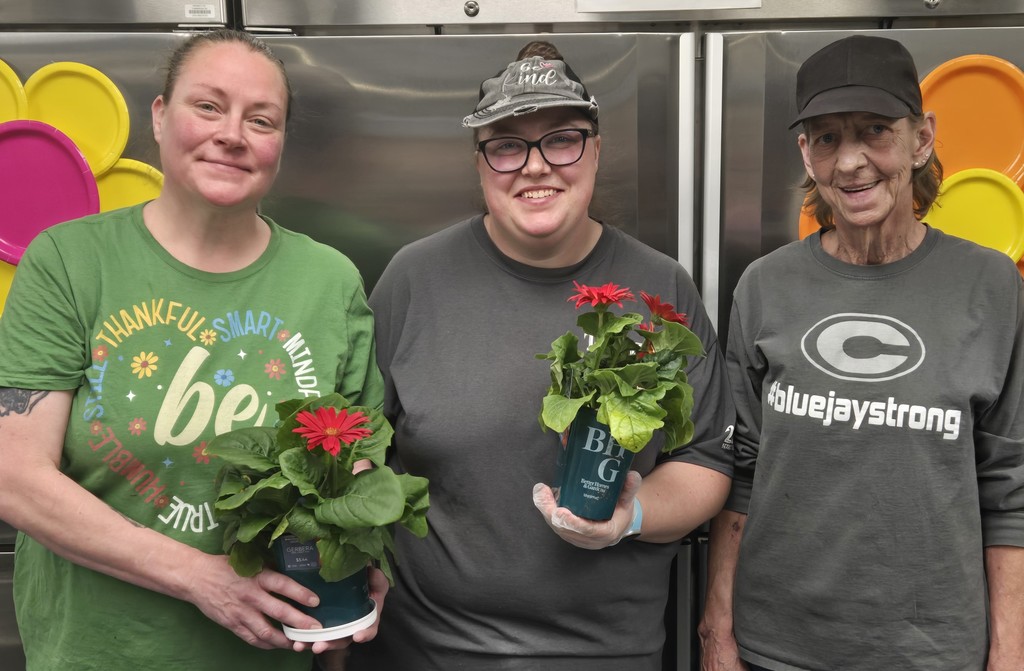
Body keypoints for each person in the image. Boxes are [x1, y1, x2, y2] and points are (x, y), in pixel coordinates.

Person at [0, 29, 386, 671]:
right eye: (208, 106)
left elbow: (354, 467)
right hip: (97, 654)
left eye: (261, 119)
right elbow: (14, 475)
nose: (232, 133)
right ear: (159, 115)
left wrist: (357, 558)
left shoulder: (330, 280)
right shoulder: (70, 261)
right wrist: (203, 579)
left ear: (280, 144)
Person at [346, 40, 733, 671]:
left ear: (596, 150)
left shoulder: (661, 289)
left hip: (608, 654)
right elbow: (361, 447)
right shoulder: (414, 279)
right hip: (425, 652)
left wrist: (628, 515)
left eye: (561, 139)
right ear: (479, 164)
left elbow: (707, 461)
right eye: (506, 145)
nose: (535, 166)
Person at [698, 34, 1024, 671]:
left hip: (932, 651)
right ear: (806, 153)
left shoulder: (991, 287)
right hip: (778, 647)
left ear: (920, 138)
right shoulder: (765, 286)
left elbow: (1010, 487)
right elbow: (740, 469)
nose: (851, 162)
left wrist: (1010, 650)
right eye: (827, 138)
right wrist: (717, 628)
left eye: (875, 131)